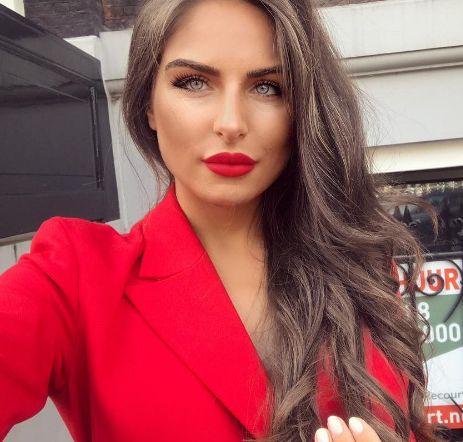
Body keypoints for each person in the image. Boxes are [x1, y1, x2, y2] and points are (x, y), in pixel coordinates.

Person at [0, 0, 440, 441]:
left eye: (267, 87)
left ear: (302, 110)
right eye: (193, 82)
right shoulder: (77, 276)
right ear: (148, 103)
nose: (231, 123)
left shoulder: (360, 269)